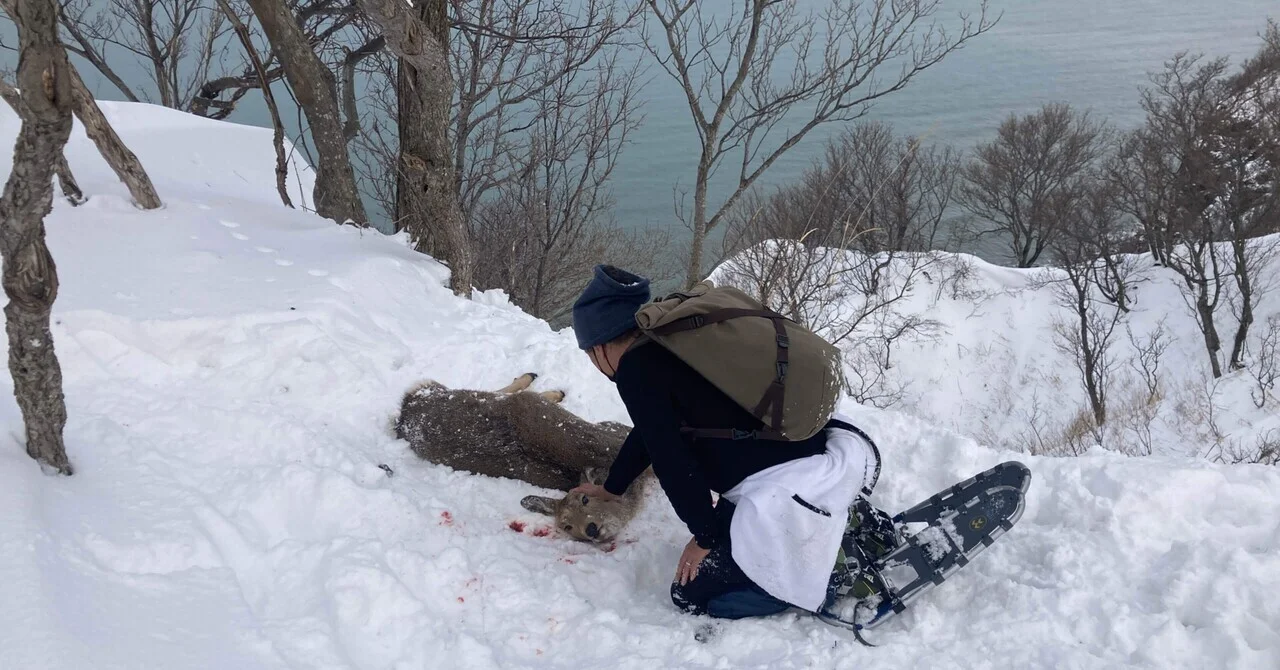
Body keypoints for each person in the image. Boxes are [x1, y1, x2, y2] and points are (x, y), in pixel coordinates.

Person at [568, 264, 898, 621]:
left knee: (690, 595)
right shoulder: (669, 343)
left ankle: (829, 573)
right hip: (807, 448)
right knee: (726, 548)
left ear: (600, 347)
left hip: (777, 486)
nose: (594, 364)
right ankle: (849, 524)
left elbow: (672, 461)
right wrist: (614, 488)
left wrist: (705, 538)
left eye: (589, 355)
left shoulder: (636, 370)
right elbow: (650, 432)